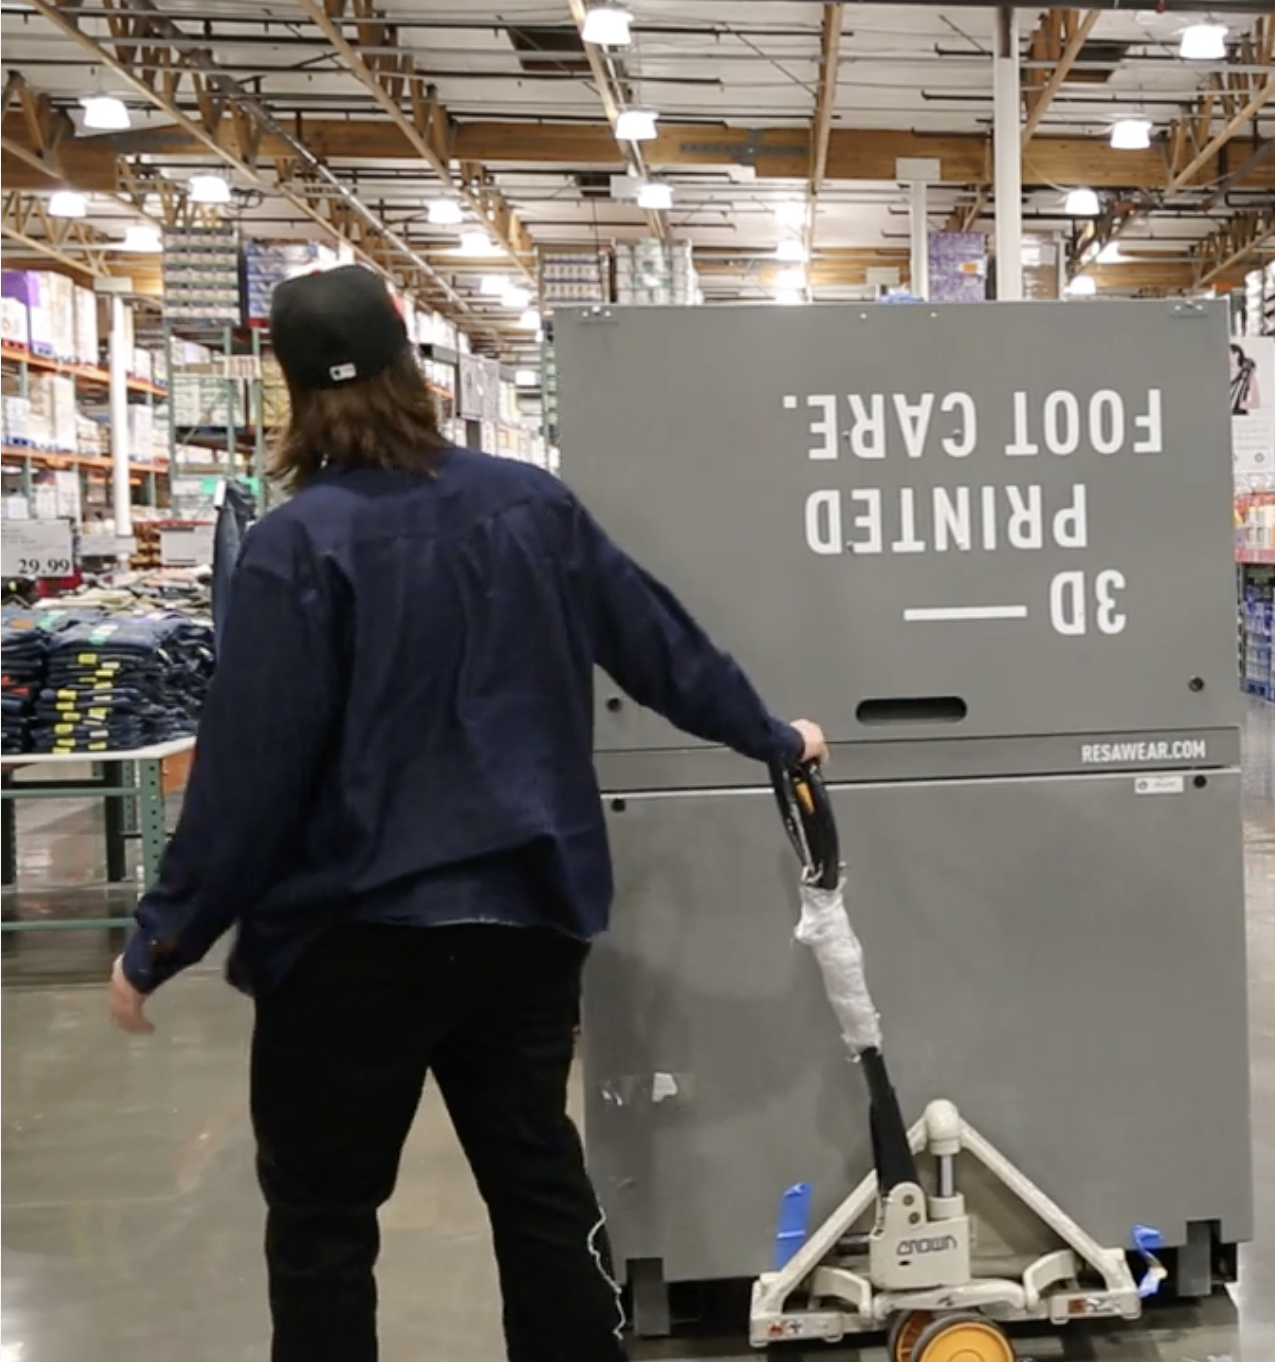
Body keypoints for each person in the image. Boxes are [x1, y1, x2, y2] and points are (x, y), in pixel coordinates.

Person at [107, 264, 827, 1362]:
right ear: (412, 365)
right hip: (518, 924)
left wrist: (164, 938)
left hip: (344, 944)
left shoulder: (295, 549)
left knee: (322, 1225)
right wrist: (773, 737)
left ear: (289, 393)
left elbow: (249, 776)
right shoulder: (528, 508)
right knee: (538, 1193)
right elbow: (657, 645)